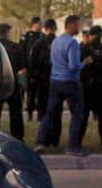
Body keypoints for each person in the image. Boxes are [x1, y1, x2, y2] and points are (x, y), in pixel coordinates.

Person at [36, 15, 92, 156]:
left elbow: (52, 61)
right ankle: (72, 146)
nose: (79, 28)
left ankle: (40, 141)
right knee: (77, 114)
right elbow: (73, 66)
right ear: (71, 25)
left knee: (50, 113)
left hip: (55, 80)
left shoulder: (56, 41)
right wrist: (84, 63)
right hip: (70, 81)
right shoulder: (72, 43)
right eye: (78, 25)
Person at [0, 23, 26, 139]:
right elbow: (22, 67)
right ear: (7, 33)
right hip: (11, 82)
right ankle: (18, 136)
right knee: (16, 112)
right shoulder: (15, 47)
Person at [80, 25, 102, 148]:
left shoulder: (85, 48)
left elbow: (80, 66)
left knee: (83, 115)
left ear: (91, 35)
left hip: (88, 87)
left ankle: (78, 141)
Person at [30, 19, 61, 146]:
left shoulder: (39, 43)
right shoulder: (59, 42)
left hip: (42, 82)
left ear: (45, 28)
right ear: (55, 28)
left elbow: (32, 62)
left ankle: (44, 138)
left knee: (44, 110)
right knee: (57, 110)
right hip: (57, 79)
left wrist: (33, 78)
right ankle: (55, 139)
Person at [21, 17, 44, 121]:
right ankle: (30, 114)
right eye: (39, 23)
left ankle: (40, 114)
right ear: (33, 24)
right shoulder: (26, 37)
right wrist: (23, 67)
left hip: (41, 69)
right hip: (30, 69)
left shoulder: (43, 36)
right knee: (31, 92)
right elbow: (22, 52)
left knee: (41, 93)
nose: (40, 25)